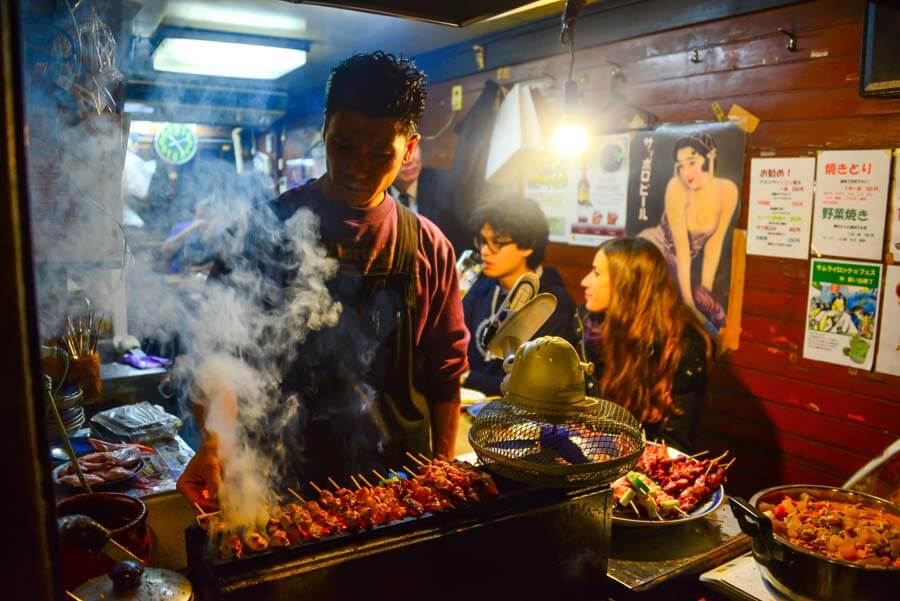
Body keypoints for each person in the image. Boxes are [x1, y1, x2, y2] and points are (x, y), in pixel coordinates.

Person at [177, 52, 470, 510]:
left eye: (380, 154)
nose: (358, 167)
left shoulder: (429, 248)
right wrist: (216, 444)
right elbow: (217, 354)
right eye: (343, 146)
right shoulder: (263, 230)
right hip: (279, 479)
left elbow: (445, 372)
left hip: (396, 489)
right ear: (325, 130)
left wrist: (442, 469)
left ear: (409, 149)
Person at [579, 237, 711, 452]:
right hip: (587, 453)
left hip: (639, 467)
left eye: (597, 273)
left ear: (627, 283)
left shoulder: (681, 345)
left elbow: (675, 444)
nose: (585, 281)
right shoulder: (585, 323)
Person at [463, 196, 578, 396]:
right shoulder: (482, 287)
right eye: (482, 241)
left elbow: (531, 385)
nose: (484, 251)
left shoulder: (551, 302)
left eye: (496, 243)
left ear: (528, 246)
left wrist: (466, 377)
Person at [639, 133, 738, 335]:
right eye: (681, 165)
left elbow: (713, 247)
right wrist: (691, 306)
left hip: (682, 265)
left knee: (710, 313)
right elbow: (682, 251)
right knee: (667, 315)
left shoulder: (727, 191)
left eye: (691, 162)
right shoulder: (676, 187)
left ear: (710, 156)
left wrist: (705, 297)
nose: (686, 172)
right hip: (656, 252)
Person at [389, 144, 443, 220]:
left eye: (412, 148)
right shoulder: (373, 197)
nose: (409, 160)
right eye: (398, 153)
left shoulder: (444, 186)